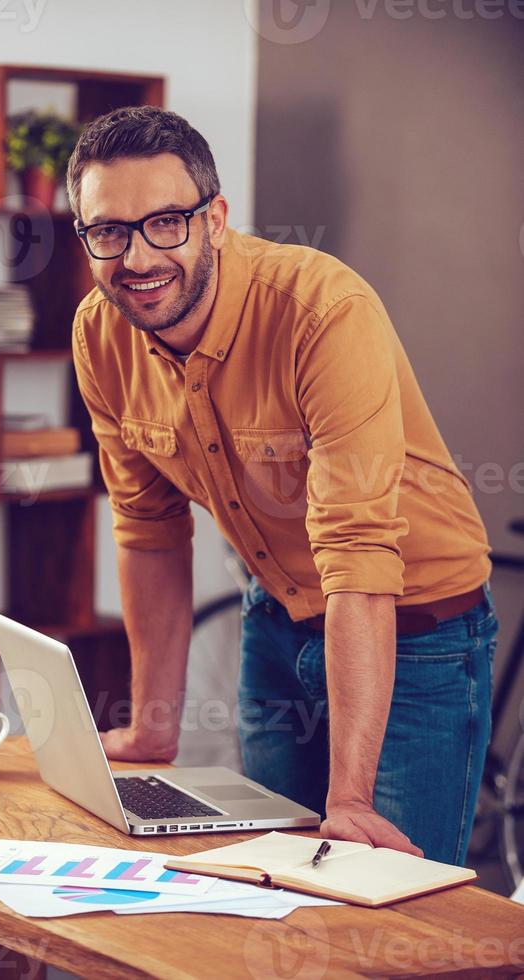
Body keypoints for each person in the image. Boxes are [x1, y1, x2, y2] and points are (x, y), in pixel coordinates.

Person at [67, 105, 498, 865]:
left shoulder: (322, 312)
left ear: (215, 220)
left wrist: (351, 796)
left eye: (166, 221)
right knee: (276, 893)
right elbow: (148, 529)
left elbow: (360, 553)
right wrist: (153, 724)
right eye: (109, 231)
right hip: (276, 619)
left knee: (387, 904)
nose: (137, 257)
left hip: (415, 632)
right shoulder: (100, 335)